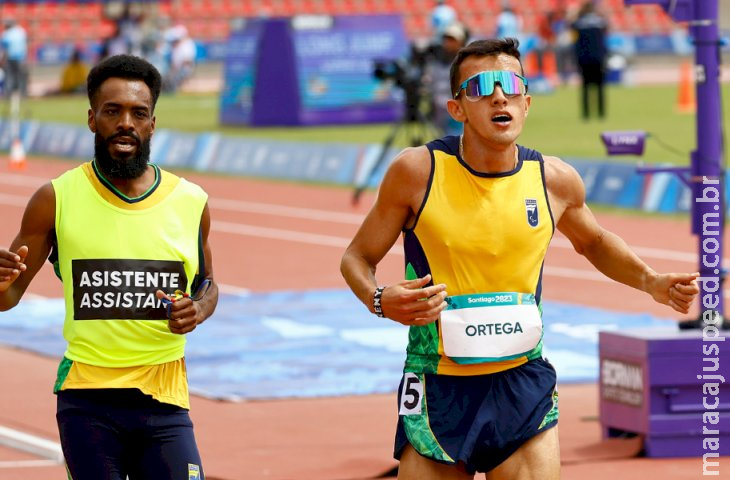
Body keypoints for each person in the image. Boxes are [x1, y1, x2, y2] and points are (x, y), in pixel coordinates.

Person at [339, 38, 699, 479]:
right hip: (439, 384)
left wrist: (650, 280)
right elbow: (357, 257)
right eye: (480, 87)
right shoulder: (417, 172)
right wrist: (379, 300)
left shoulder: (554, 180)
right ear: (457, 109)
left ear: (526, 103)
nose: (497, 95)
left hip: (522, 383)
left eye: (509, 84)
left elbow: (596, 242)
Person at [0, 54, 218, 480]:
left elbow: (207, 284)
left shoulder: (191, 201)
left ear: (152, 123)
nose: (126, 123)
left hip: (165, 397)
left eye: (138, 113)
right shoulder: (55, 199)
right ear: (91, 118)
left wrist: (198, 308)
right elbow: (6, 297)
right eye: (112, 111)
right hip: (87, 400)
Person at [425, 22, 469, 136]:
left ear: (462, 42)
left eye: (453, 39)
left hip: (457, 113)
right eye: (447, 39)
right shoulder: (436, 62)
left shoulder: (466, 64)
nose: (448, 43)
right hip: (439, 113)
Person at [572, 0, 609, 119]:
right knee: (600, 88)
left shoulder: (579, 23)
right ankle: (601, 113)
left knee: (585, 88)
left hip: (584, 59)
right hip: (598, 58)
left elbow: (570, 26)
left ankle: (586, 114)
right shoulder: (599, 22)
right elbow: (607, 28)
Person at [0, 18, 28, 97]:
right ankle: (23, 94)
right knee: (21, 78)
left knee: (9, 78)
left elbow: (5, 49)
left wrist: (2, 61)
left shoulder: (6, 34)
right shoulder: (21, 31)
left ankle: (9, 94)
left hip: (11, 59)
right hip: (21, 59)